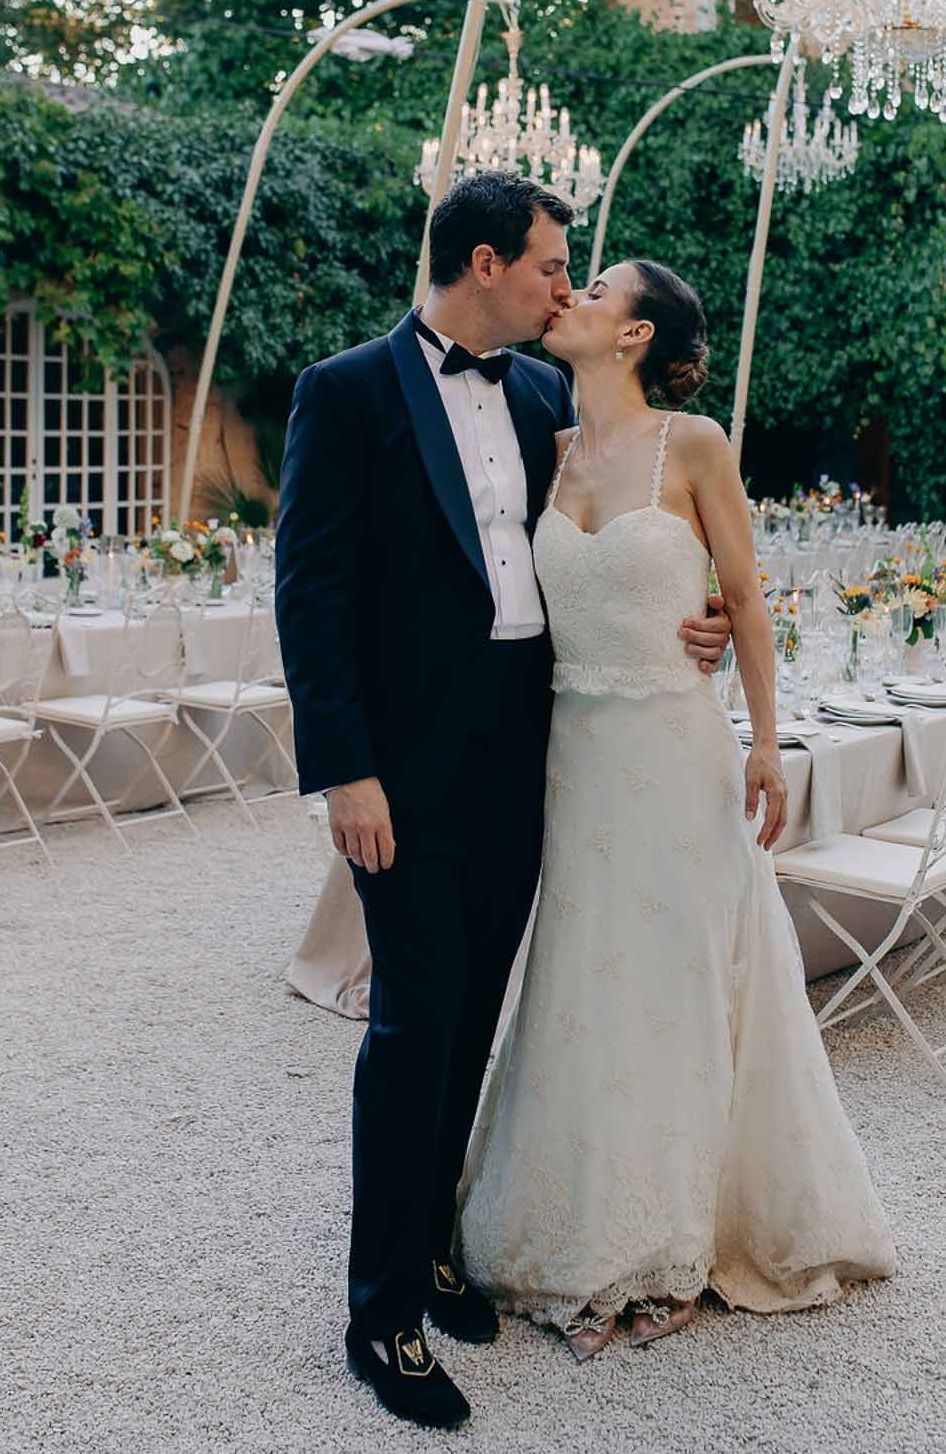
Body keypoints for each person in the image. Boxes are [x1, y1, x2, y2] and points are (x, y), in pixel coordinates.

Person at [273, 175, 731, 1430]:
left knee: (472, 1012)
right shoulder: (345, 390)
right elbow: (310, 596)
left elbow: (623, 526)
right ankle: (380, 1313)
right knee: (413, 1021)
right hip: (401, 776)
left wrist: (690, 622)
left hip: (532, 759)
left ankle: (431, 1245)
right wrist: (344, 767)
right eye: (548, 267)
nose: (560, 288)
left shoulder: (544, 399)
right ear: (485, 262)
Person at [457, 258, 897, 1355]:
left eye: (593, 287)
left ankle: (673, 1244)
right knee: (583, 978)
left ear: (635, 333)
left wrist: (765, 742)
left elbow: (744, 596)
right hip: (576, 756)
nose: (571, 293)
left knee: (682, 979)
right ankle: (586, 1230)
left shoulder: (693, 444)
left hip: (677, 749)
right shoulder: (541, 450)